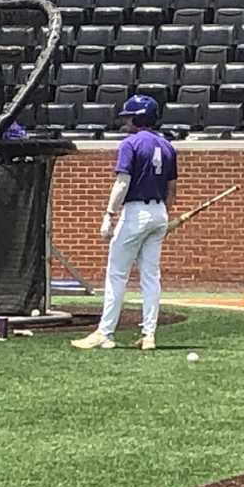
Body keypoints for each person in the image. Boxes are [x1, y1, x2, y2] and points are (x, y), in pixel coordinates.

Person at [71, 95, 177, 351]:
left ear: (138, 117)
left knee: (117, 274)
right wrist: (164, 215)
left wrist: (109, 214)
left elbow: (122, 182)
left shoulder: (130, 144)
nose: (126, 121)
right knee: (151, 277)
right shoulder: (167, 145)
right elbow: (172, 189)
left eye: (130, 117)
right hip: (159, 211)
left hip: (135, 212)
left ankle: (104, 332)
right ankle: (149, 334)